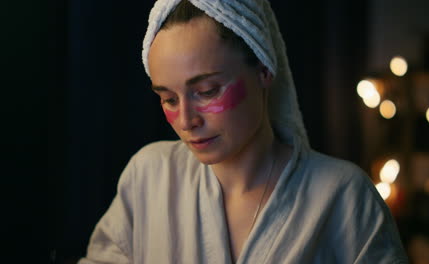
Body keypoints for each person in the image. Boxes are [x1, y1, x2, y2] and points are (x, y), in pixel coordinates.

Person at [79, 0, 408, 263]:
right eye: (168, 98)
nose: (186, 120)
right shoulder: (149, 176)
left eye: (207, 91)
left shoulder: (343, 196)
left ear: (264, 69)